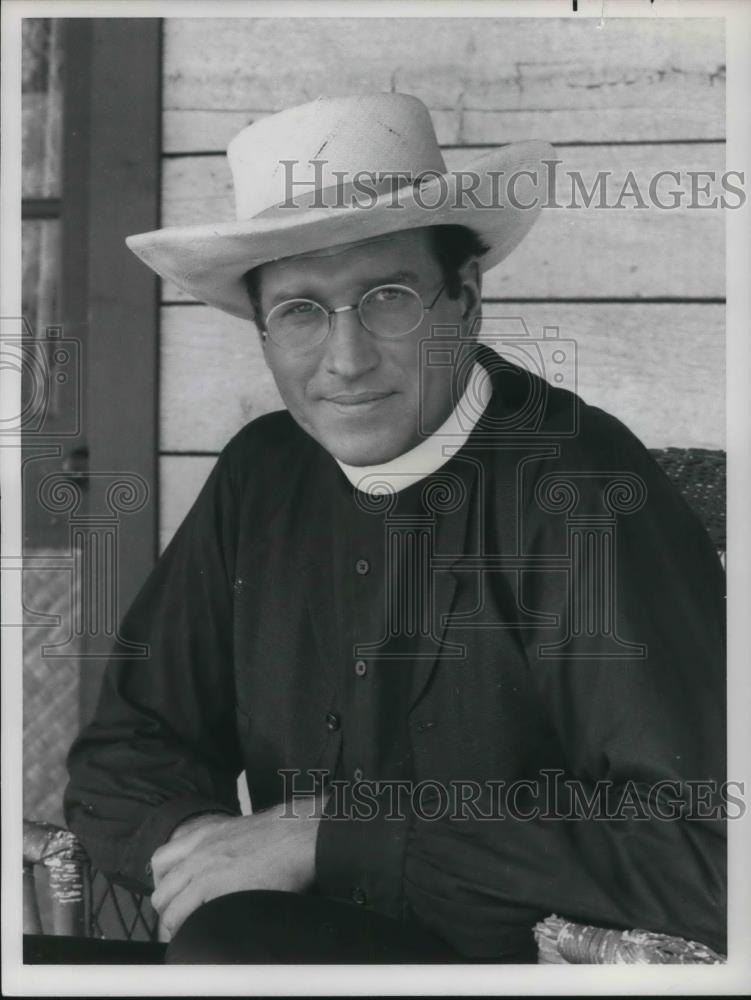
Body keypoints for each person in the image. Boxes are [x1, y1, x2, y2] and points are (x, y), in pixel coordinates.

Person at [62, 94, 726, 964]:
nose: (345, 360)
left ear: (465, 300)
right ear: (261, 330)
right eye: (299, 309)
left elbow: (703, 853)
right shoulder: (262, 474)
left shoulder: (581, 491)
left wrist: (330, 838)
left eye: (386, 298)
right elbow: (124, 755)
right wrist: (209, 851)